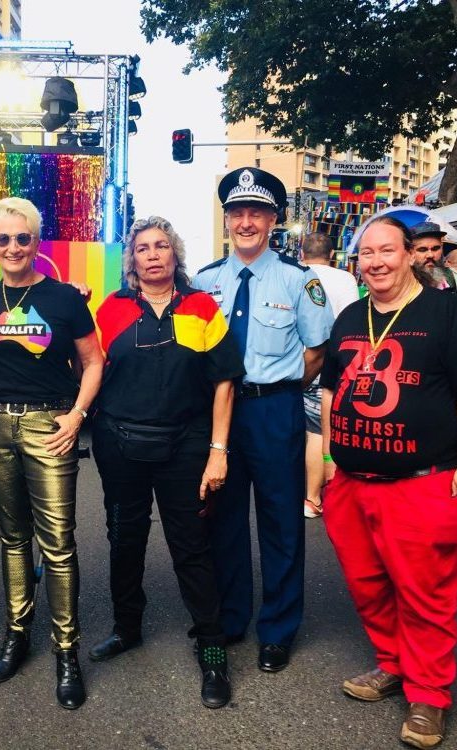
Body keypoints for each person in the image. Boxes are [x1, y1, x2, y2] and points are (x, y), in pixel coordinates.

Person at [320, 216, 457, 749]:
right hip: (353, 481)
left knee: (425, 591)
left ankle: (429, 694)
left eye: (386, 251)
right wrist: (326, 463)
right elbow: (329, 390)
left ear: (410, 255)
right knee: (368, 584)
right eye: (366, 254)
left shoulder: (447, 314)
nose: (376, 262)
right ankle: (394, 665)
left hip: (422, 482)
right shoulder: (348, 316)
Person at [88, 216, 244, 709]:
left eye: (161, 246)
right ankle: (126, 627)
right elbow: (87, 367)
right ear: (131, 260)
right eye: (142, 248)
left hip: (186, 447)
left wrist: (218, 451)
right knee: (124, 537)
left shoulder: (201, 308)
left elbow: (224, 382)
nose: (152, 254)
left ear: (175, 254)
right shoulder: (110, 309)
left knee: (191, 546)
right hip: (120, 445)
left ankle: (213, 649)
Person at [0, 197, 103, 710]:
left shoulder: (64, 298)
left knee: (58, 543)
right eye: (3, 239)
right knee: (13, 537)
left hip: (50, 423)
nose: (14, 247)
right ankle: (17, 634)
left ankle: (67, 651)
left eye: (23, 238)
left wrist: (77, 416)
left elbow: (93, 361)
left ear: (37, 243)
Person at [193, 167, 333, 673]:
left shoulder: (300, 280)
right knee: (224, 520)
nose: (246, 222)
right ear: (227, 219)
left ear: (274, 219)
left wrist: (278, 389)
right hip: (221, 414)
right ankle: (231, 619)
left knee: (280, 524)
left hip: (275, 410)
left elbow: (317, 351)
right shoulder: (205, 281)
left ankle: (277, 629)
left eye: (257, 212)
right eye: (237, 212)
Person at [299, 232, 359, 518]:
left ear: (302, 253)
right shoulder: (345, 280)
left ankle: (303, 491)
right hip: (331, 362)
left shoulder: (297, 273)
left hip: (298, 361)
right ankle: (312, 497)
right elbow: (349, 321)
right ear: (332, 255)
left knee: (301, 431)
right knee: (318, 431)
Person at [408, 222, 457, 305]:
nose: (430, 255)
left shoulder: (453, 277)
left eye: (435, 248)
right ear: (410, 252)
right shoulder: (402, 282)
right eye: (422, 249)